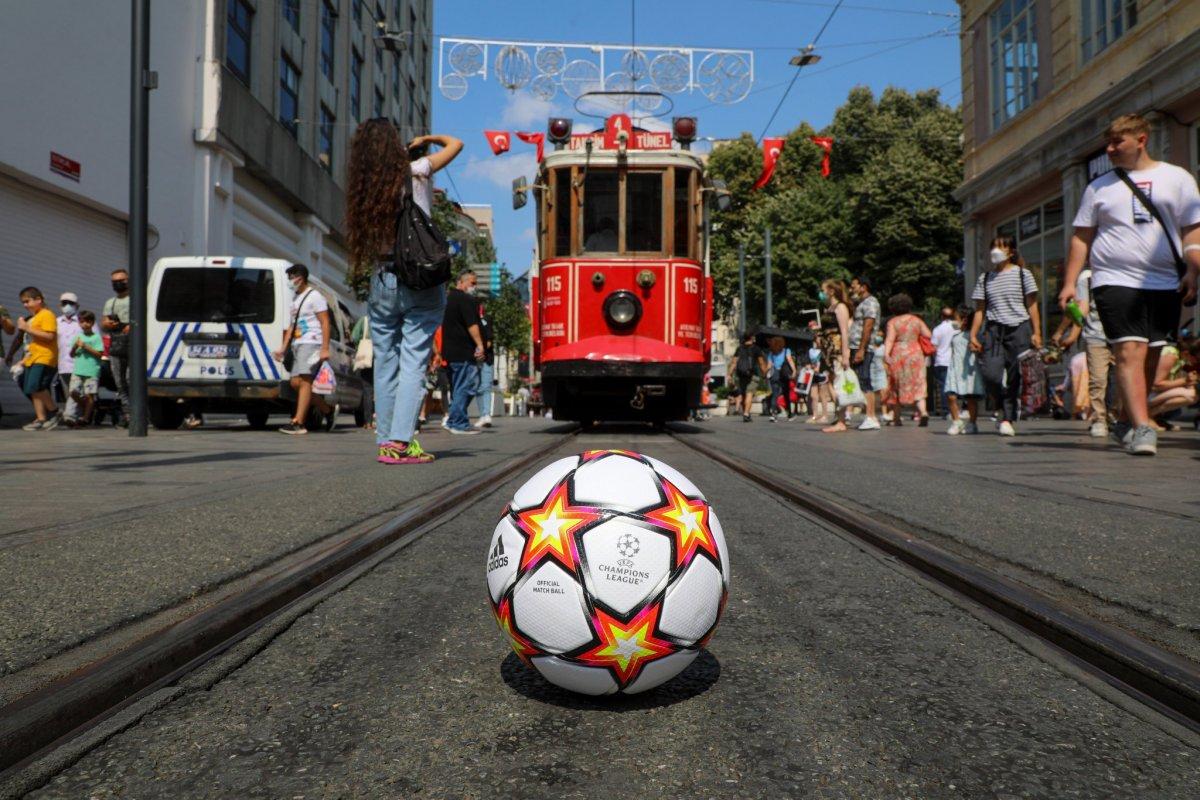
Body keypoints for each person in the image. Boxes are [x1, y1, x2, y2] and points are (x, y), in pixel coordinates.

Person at [1058, 114, 1200, 456]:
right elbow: (1082, 238)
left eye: (1116, 142)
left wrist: (1193, 270)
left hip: (1165, 280)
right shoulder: (1098, 188)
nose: (1109, 149)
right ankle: (1141, 427)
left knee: (1152, 353)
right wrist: (1068, 283)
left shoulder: (1176, 179)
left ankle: (1124, 417)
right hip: (1114, 279)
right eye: (1107, 143)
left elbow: (1191, 229)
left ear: (1141, 139)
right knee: (1127, 349)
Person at [346, 120, 462, 463]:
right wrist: (426, 139)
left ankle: (386, 442)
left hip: (382, 279)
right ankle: (401, 442)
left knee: (385, 362)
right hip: (419, 279)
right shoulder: (417, 171)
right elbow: (455, 143)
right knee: (414, 361)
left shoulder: (365, 190)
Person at [970, 235, 1042, 436]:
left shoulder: (1023, 274)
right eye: (993, 247)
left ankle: (1007, 418)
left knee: (1014, 376)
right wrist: (973, 335)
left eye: (1001, 247)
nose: (995, 251)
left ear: (1011, 252)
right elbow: (979, 310)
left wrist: (1037, 332)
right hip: (993, 330)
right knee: (991, 374)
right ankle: (1000, 406)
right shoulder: (984, 278)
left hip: (1019, 328)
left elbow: (1032, 305)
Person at [272, 264, 335, 435]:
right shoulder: (296, 299)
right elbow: (292, 326)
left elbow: (325, 322)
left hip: (311, 342)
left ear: (301, 278)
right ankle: (327, 410)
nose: (290, 281)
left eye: (292, 277)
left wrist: (325, 348)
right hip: (298, 344)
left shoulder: (315, 297)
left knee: (305, 380)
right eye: (289, 277)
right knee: (295, 383)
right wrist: (283, 348)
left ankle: (298, 422)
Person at [1053, 266, 1115, 438]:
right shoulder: (1087, 278)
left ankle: (1115, 416)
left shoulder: (1126, 271)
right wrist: (1070, 310)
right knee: (1098, 379)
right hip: (1096, 334)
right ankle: (1099, 420)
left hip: (1123, 334)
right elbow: (1082, 311)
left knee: (1119, 379)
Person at [441, 270, 486, 434]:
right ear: (462, 282)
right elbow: (472, 325)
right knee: (466, 387)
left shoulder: (447, 299)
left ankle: (455, 420)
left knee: (458, 387)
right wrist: (480, 345)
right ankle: (458, 422)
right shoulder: (465, 299)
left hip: (451, 352)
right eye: (472, 283)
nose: (475, 287)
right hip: (463, 351)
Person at [14, 287, 61, 430]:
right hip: (32, 357)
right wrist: (22, 360)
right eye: (23, 302)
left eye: (27, 301)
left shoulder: (47, 315)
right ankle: (41, 418)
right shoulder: (35, 317)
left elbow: (50, 336)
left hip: (44, 357)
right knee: (31, 388)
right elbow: (30, 343)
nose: (25, 305)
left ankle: (54, 412)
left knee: (36, 385)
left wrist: (26, 328)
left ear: (38, 300)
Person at [883, 293, 932, 426]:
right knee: (919, 383)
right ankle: (923, 412)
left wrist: (886, 354)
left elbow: (890, 339)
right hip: (916, 353)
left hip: (899, 354)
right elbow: (928, 335)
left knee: (896, 385)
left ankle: (897, 418)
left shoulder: (893, 322)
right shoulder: (916, 320)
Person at [847, 276, 882, 430]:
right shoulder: (862, 303)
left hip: (864, 348)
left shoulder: (871, 303)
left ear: (863, 287)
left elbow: (868, 327)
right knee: (860, 380)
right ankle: (869, 415)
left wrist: (861, 349)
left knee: (864, 379)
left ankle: (871, 416)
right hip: (856, 346)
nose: (851, 288)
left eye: (854, 285)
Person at [819, 279, 854, 433]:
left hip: (837, 349)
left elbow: (845, 331)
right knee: (834, 383)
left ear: (831, 291)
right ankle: (840, 416)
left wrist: (845, 354)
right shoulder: (829, 308)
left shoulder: (840, 307)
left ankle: (842, 420)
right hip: (829, 350)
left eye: (823, 290)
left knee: (840, 383)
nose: (821, 293)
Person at [945, 304, 983, 435]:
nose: (953, 322)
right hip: (955, 369)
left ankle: (972, 423)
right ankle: (957, 421)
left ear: (964, 319)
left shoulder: (974, 335)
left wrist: (977, 349)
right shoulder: (956, 335)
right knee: (951, 396)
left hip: (969, 370)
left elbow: (981, 349)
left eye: (956, 318)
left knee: (971, 398)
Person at [102, 268, 132, 427]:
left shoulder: (139, 299)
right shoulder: (110, 303)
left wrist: (132, 326)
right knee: (120, 382)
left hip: (135, 345)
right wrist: (108, 324)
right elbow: (104, 323)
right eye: (114, 282)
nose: (118, 284)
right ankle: (128, 414)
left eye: (122, 280)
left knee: (131, 379)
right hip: (117, 344)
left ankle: (138, 411)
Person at [69, 310, 104, 424]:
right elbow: (72, 354)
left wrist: (85, 346)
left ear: (92, 323)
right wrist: (75, 347)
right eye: (82, 321)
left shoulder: (96, 337)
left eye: (87, 322)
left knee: (90, 395)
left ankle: (85, 418)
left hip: (92, 370)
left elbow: (99, 354)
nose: (84, 324)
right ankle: (85, 406)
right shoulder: (78, 337)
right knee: (73, 392)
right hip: (78, 370)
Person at [55, 291, 83, 425]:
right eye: (64, 303)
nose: (67, 306)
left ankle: (69, 416)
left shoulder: (84, 321)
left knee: (74, 391)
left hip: (80, 364)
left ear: (77, 306)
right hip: (62, 364)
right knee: (70, 394)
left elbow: (96, 339)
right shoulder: (56, 322)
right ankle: (78, 418)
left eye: (70, 303)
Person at [929, 306, 956, 418]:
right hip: (954, 360)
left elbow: (933, 347)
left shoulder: (937, 329)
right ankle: (959, 408)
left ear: (941, 316)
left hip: (941, 360)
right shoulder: (957, 327)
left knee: (944, 385)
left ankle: (946, 410)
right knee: (955, 386)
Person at [764, 336, 796, 421]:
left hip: (774, 374)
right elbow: (790, 360)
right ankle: (789, 414)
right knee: (786, 394)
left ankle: (773, 414)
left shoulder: (771, 353)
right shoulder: (786, 351)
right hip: (784, 374)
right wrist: (794, 370)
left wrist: (765, 373)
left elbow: (769, 365)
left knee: (775, 394)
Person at [474, 303, 495, 428]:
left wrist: (481, 351)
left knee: (485, 386)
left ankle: (486, 414)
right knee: (478, 388)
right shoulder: (470, 321)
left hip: (486, 359)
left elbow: (489, 341)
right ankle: (483, 415)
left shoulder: (487, 319)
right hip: (475, 359)